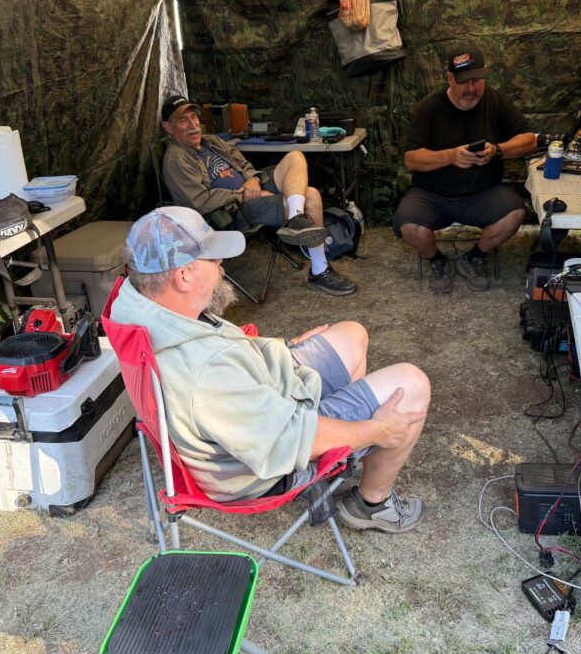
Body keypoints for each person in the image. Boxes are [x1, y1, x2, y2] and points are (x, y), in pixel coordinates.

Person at [111, 206, 431, 533]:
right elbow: (288, 438)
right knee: (411, 384)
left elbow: (225, 356)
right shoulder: (206, 369)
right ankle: (371, 504)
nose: (222, 265)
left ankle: (340, 452)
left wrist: (282, 347)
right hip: (264, 463)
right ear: (183, 276)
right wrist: (378, 430)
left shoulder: (141, 306)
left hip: (256, 410)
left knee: (352, 335)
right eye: (213, 259)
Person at [159, 95, 356, 296]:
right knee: (311, 196)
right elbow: (200, 201)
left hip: (251, 190)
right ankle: (319, 270)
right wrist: (241, 194)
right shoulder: (176, 160)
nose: (193, 125)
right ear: (168, 127)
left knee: (295, 156)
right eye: (183, 121)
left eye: (193, 117)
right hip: (234, 210)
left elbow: (244, 164)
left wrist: (253, 179)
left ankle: (295, 218)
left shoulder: (211, 141)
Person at [395, 47, 542, 294]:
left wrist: (497, 150)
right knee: (408, 225)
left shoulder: (496, 101)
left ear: (485, 74)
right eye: (464, 81)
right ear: (449, 78)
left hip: (483, 193)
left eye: (477, 80)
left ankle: (474, 257)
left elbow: (530, 140)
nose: (471, 88)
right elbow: (411, 160)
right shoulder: (430, 108)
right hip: (432, 194)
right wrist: (451, 156)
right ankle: (437, 261)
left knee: (516, 213)